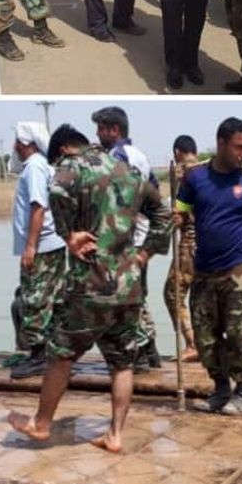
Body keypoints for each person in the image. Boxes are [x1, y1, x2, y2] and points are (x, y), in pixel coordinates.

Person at [7, 124, 170, 455]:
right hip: (129, 285)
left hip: (90, 284)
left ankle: (41, 423)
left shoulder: (72, 166)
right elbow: (163, 213)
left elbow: (56, 192)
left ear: (65, 148)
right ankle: (114, 434)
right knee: (122, 363)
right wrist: (145, 253)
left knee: (61, 355)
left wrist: (68, 234)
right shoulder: (126, 170)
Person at [174, 117, 242, 416]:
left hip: (238, 267)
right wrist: (172, 220)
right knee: (205, 336)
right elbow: (180, 214)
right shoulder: (194, 178)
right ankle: (220, 388)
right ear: (221, 143)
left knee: (240, 332)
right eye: (239, 147)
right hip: (204, 269)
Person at [91, 106, 162, 371]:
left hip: (129, 238)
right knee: (136, 295)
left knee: (126, 297)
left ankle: (141, 353)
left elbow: (118, 201)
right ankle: (148, 351)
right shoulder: (136, 155)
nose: (98, 134)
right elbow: (155, 192)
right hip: (139, 234)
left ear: (115, 130)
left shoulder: (118, 157)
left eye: (101, 129)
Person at [6, 121, 66, 380]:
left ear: (26, 144)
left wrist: (30, 246)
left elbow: (38, 207)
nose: (14, 146)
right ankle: (49, 353)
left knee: (34, 299)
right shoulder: (41, 166)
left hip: (42, 245)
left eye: (17, 141)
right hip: (49, 243)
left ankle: (39, 356)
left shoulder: (34, 168)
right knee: (50, 298)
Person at [165, 135, 199, 362]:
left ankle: (192, 343)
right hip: (211, 243)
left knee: (173, 293)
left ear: (177, 151)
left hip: (190, 241)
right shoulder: (208, 170)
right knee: (201, 296)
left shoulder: (180, 172)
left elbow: (178, 213)